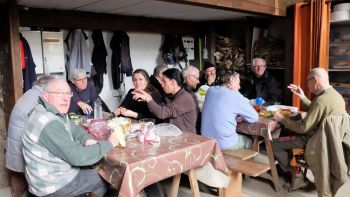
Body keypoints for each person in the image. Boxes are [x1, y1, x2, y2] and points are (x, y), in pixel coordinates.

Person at [22, 79, 120, 197]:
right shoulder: (48, 123)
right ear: (45, 95)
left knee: (96, 168)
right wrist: (110, 143)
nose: (65, 98)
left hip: (48, 176)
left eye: (68, 93)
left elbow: (73, 128)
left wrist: (86, 139)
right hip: (54, 185)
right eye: (59, 93)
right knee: (108, 177)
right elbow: (77, 157)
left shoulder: (48, 110)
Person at [271, 68, 347, 189]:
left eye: (308, 81)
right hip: (329, 140)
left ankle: (297, 177)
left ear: (315, 80)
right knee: (287, 130)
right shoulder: (335, 95)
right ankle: (288, 165)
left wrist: (281, 119)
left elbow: (303, 128)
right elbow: (318, 109)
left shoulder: (320, 101)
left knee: (273, 144)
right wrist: (302, 97)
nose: (307, 84)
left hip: (313, 140)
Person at [6, 75, 55, 197]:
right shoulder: (38, 98)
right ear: (46, 87)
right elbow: (41, 125)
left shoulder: (31, 92)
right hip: (20, 144)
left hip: (14, 142)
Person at [201, 70, 259, 150]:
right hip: (223, 144)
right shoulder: (235, 96)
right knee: (251, 141)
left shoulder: (210, 90)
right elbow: (254, 117)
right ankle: (248, 162)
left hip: (206, 141)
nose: (239, 87)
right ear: (231, 80)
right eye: (238, 83)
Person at [132, 68, 197, 133]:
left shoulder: (185, 97)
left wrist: (149, 99)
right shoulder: (171, 96)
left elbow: (162, 114)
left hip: (187, 138)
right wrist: (148, 101)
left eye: (164, 81)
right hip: (174, 135)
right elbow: (159, 113)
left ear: (173, 82)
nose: (162, 85)